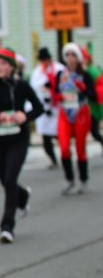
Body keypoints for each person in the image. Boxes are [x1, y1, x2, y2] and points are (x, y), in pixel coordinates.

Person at [0, 48, 44, 244]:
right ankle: (23, 195)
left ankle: (7, 227)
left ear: (12, 67)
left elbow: (39, 107)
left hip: (18, 139)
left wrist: (26, 116)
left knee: (10, 178)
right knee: (1, 174)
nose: (0, 67)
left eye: (4, 64)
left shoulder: (21, 86)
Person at [55, 43, 97, 195]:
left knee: (80, 148)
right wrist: (57, 97)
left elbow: (94, 96)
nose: (70, 58)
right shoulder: (61, 75)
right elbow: (55, 93)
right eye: (68, 55)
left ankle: (84, 179)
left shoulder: (85, 75)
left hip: (81, 112)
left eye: (73, 55)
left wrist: (84, 89)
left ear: (78, 57)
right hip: (65, 112)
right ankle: (69, 179)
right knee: (64, 147)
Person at [29, 47, 65, 169]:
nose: (44, 62)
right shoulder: (37, 71)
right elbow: (34, 88)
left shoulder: (59, 68)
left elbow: (64, 84)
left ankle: (65, 156)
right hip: (43, 107)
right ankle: (53, 159)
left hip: (56, 106)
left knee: (59, 134)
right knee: (45, 136)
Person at [82, 46, 103, 155]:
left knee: (93, 131)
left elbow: (99, 89)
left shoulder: (92, 71)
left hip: (94, 106)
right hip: (90, 106)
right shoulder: (88, 70)